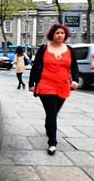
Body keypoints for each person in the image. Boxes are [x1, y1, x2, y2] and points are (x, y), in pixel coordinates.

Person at [28, 23, 79, 155]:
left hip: (63, 85)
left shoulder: (69, 50)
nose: (60, 35)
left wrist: (75, 80)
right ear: (52, 35)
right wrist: (31, 84)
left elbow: (74, 67)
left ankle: (48, 127)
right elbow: (35, 66)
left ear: (65, 35)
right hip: (46, 85)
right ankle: (52, 143)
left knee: (53, 113)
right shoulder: (44, 48)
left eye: (62, 33)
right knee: (52, 113)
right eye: (57, 33)